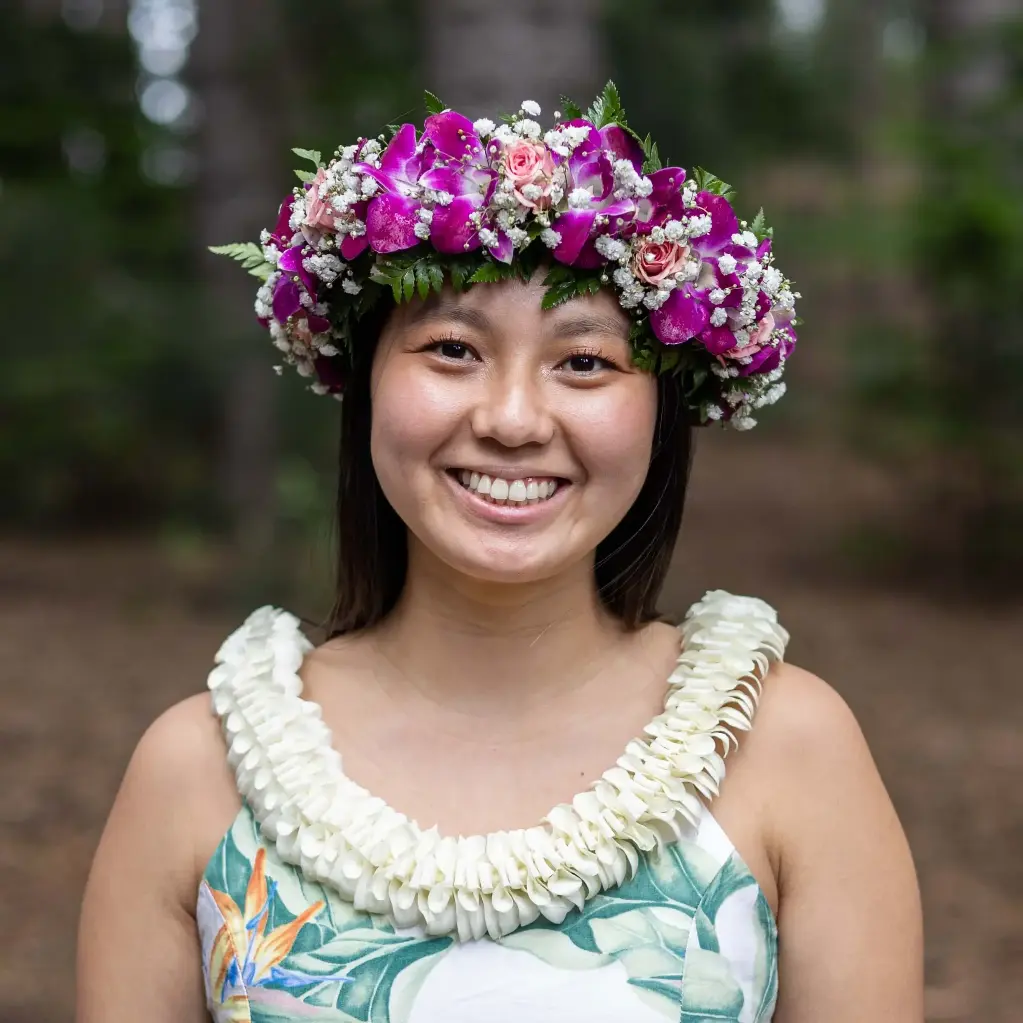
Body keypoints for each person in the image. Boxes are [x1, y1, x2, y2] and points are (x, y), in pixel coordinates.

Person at [76, 86, 923, 1022]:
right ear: (365, 384)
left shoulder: (787, 752)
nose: (512, 420)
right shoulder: (197, 771)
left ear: (662, 415)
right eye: (450, 348)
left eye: (584, 362)